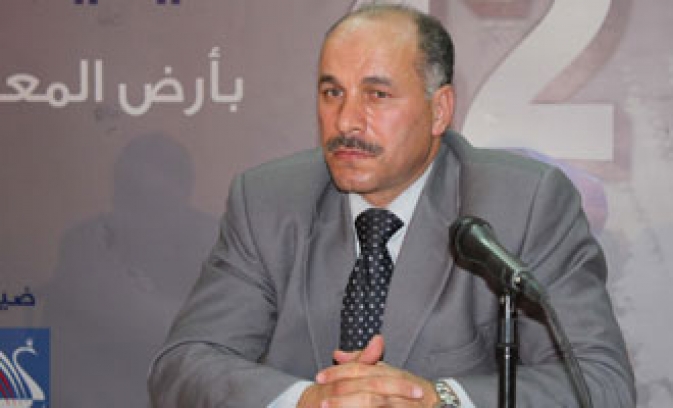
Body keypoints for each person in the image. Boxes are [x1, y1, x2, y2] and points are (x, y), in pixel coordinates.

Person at [148, 4, 635, 407]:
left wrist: (438, 400)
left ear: (439, 110)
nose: (346, 121)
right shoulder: (268, 202)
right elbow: (184, 364)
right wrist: (308, 400)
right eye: (332, 92)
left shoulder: (522, 204)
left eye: (377, 95)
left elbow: (598, 383)